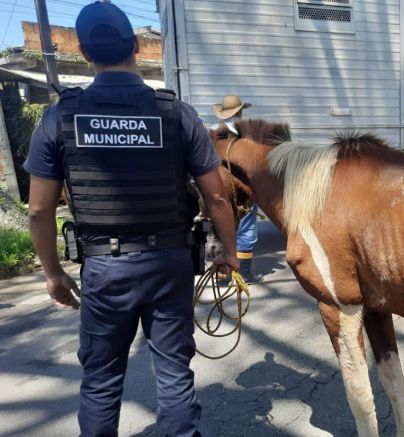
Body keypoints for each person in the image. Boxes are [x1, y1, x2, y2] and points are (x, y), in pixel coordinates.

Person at [23, 3, 239, 436]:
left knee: (101, 382)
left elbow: (39, 209)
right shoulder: (177, 114)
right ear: (138, 47)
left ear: (84, 52)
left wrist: (52, 274)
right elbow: (216, 196)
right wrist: (229, 253)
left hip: (105, 269)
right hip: (169, 264)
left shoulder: (60, 117)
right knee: (174, 376)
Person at [212, 95, 264, 283]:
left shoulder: (212, 131)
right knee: (246, 227)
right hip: (239, 190)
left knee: (221, 227)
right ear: (239, 112)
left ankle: (222, 271)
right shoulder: (242, 135)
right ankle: (245, 273)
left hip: (214, 189)